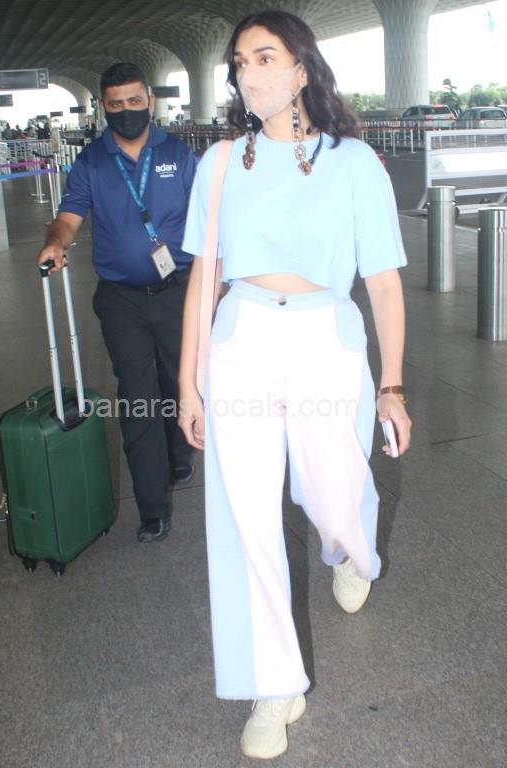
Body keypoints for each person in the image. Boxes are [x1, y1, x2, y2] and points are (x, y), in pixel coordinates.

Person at [178, 10, 412, 761]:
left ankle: (350, 548)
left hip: (324, 337)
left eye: (265, 57)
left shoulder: (355, 163)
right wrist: (189, 380)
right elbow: (203, 278)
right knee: (245, 517)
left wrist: (392, 386)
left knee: (333, 494)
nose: (249, 73)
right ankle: (274, 686)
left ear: (302, 68)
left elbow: (383, 283)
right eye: (240, 62)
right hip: (241, 337)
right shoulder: (220, 163)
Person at [37, 62, 197, 543]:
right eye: (116, 104)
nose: (126, 110)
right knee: (138, 395)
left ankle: (179, 454)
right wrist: (55, 242)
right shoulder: (92, 161)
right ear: (103, 107)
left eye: (134, 101)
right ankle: (152, 507)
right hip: (121, 299)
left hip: (178, 292)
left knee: (178, 381)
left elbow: (209, 218)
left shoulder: (179, 154)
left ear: (150, 100)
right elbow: (68, 216)